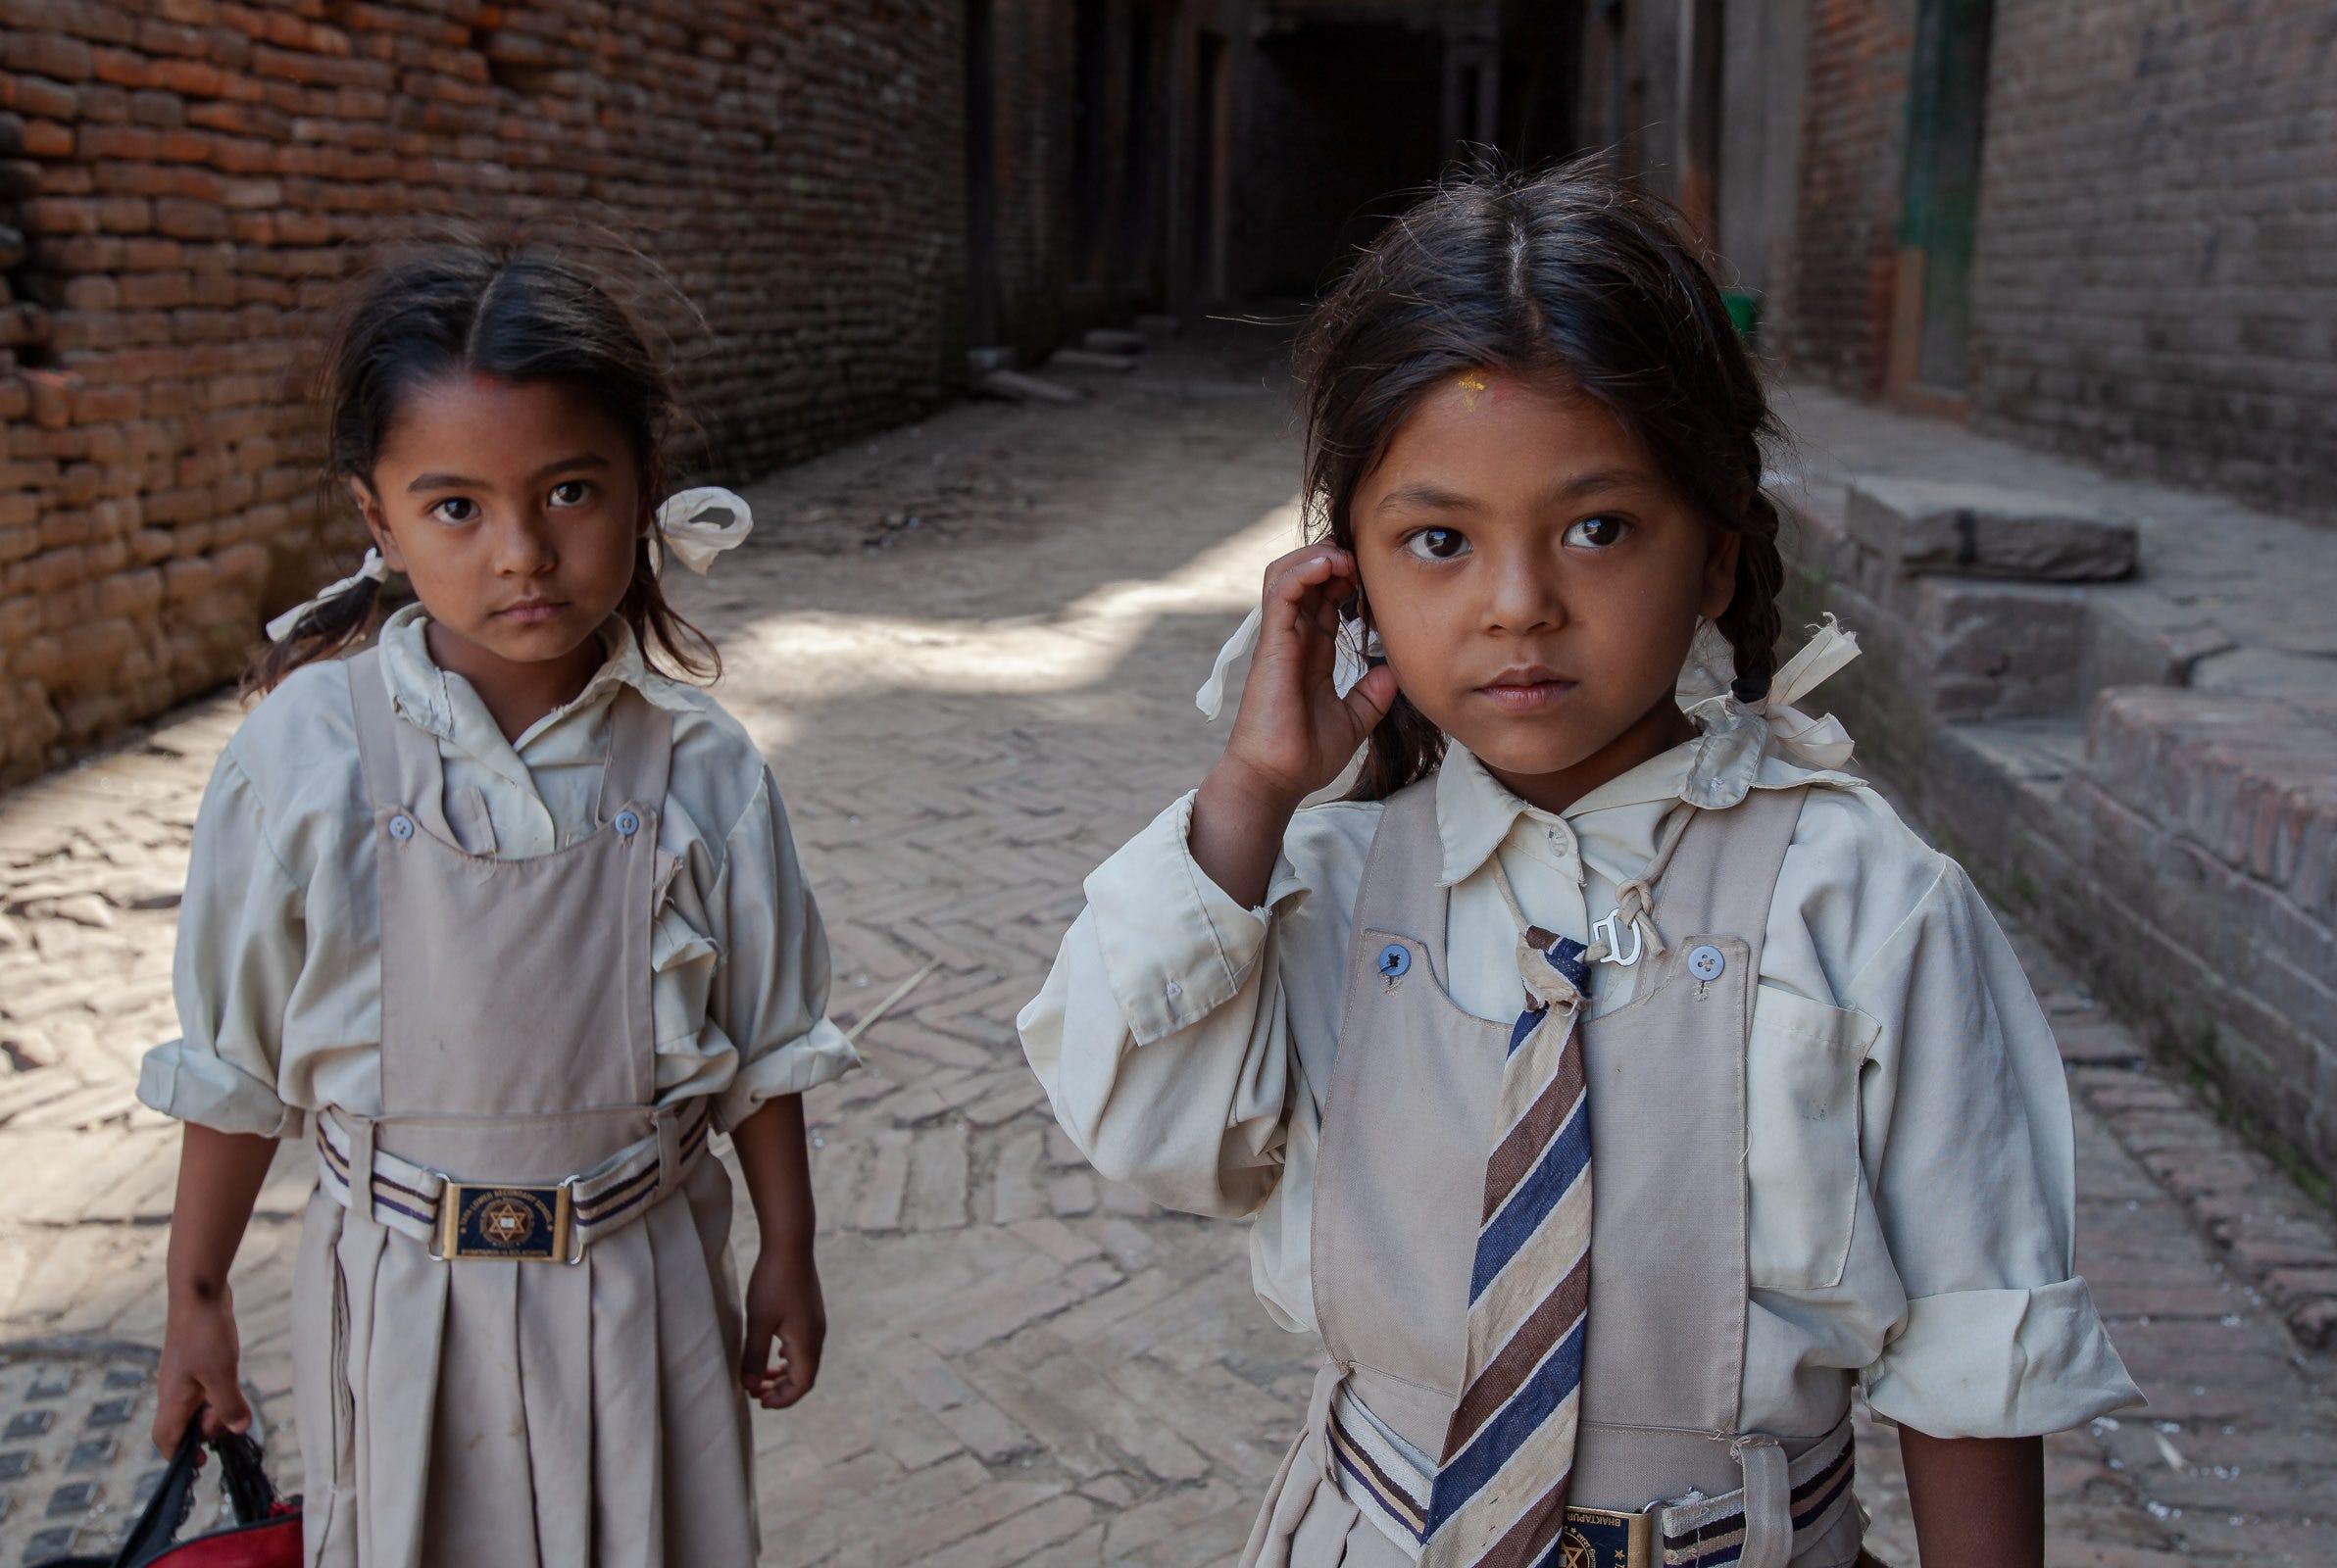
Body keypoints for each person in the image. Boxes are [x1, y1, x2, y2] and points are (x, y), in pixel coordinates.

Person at [1018, 159, 2139, 1568]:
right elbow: (1146, 1126)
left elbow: (1977, 1334)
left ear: (1717, 558)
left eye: (1598, 529)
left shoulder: (1861, 902)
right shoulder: (1325, 886)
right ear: (1345, 583)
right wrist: (1251, 790)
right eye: (1437, 542)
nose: (1518, 605)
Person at [139, 236, 859, 1567]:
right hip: (404, 1290)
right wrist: (195, 1296)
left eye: (570, 490)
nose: (522, 552)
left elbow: (764, 1046)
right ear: (379, 519)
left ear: (641, 487)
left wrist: (788, 1249)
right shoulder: (306, 757)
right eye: (455, 507)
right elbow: (236, 1063)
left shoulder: (699, 767)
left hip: (646, 1283)